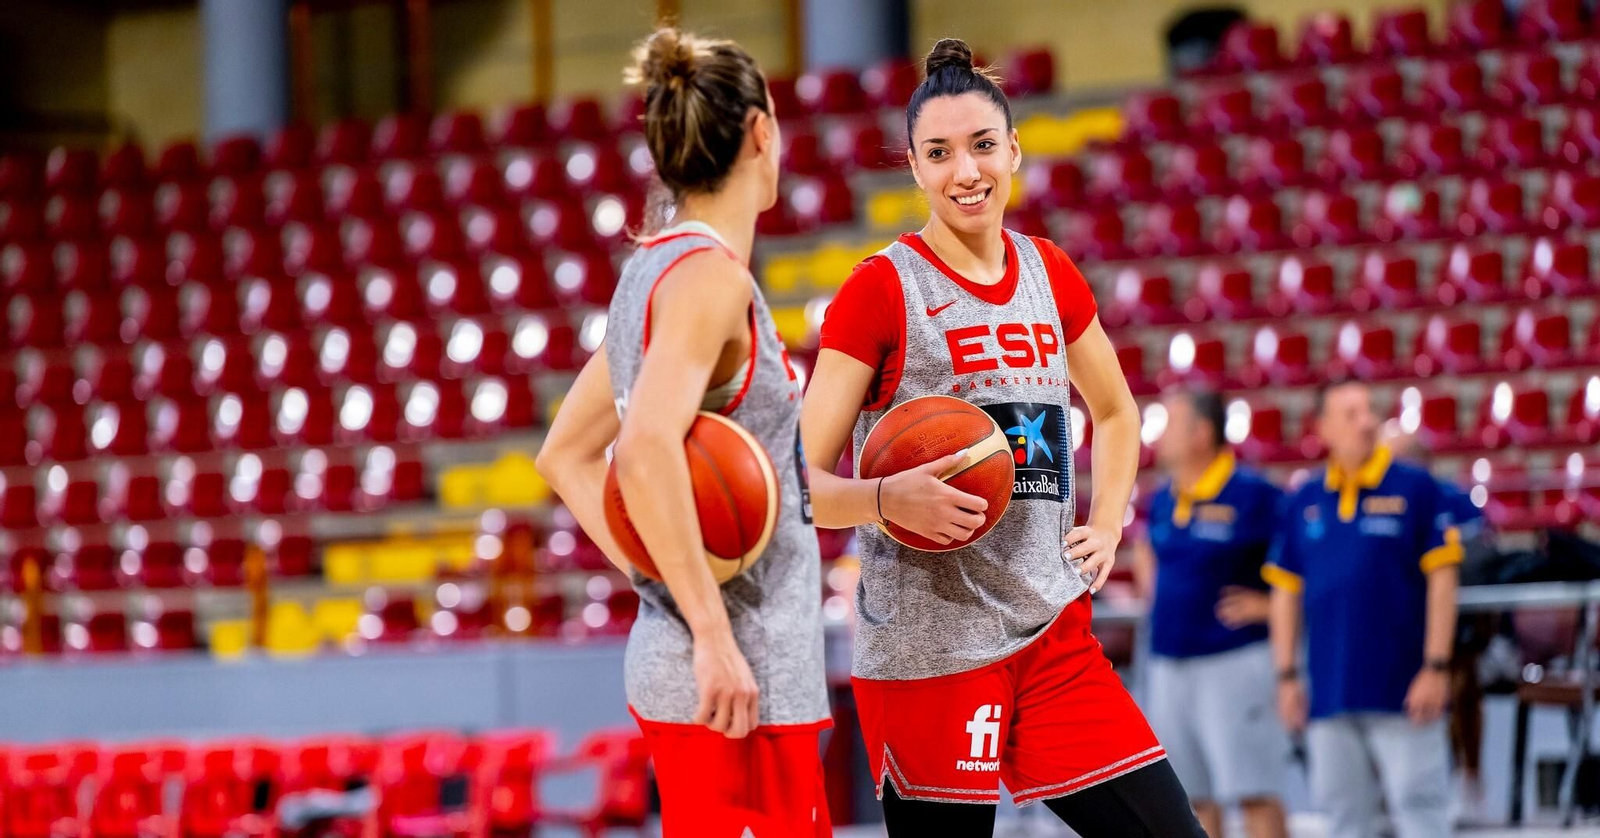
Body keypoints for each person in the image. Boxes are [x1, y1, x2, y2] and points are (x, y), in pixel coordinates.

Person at [799, 38, 1205, 838]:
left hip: (1051, 631)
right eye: (940, 153)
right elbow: (796, 482)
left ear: (1014, 149)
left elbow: (1118, 412)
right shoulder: (880, 289)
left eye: (983, 146)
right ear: (914, 168)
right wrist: (882, 497)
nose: (966, 171)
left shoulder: (1049, 270)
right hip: (931, 648)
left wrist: (1110, 519)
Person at [534, 27, 828, 838]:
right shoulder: (710, 280)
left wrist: (658, 571)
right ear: (763, 133)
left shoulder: (653, 271)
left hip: (717, 674)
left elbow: (565, 454)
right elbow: (647, 445)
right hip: (740, 682)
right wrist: (708, 629)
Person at [1265, 381, 1463, 838]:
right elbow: (1285, 593)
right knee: (1343, 821)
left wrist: (1437, 666)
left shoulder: (1417, 487)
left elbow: (1443, 580)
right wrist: (1287, 676)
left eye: (1370, 410)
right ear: (1323, 427)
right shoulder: (1306, 500)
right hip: (1329, 693)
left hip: (1406, 690)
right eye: (1351, 413)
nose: (1367, 421)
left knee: (1421, 814)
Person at [1130, 389, 1290, 838]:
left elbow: (1305, 561)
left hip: (1233, 661)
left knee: (1254, 791)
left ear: (1201, 433)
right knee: (1188, 799)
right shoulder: (1164, 497)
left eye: (1171, 424)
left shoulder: (1254, 494)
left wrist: (1268, 605)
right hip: (1169, 662)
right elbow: (1149, 550)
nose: (1158, 436)